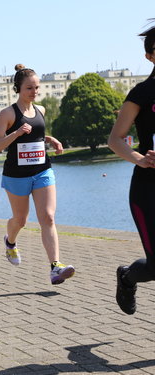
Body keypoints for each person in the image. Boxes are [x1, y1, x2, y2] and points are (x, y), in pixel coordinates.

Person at [0, 64, 75, 285]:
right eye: (29, 87)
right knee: (20, 219)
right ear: (18, 88)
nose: (34, 91)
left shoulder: (41, 110)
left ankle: (55, 267)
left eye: (37, 87)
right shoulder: (7, 114)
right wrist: (17, 132)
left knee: (47, 217)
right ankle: (10, 242)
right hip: (16, 175)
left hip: (42, 170)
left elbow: (36, 135)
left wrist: (50, 139)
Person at [108, 22, 155, 315]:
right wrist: (138, 158)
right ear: (150, 56)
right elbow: (114, 139)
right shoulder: (142, 93)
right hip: (148, 189)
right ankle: (127, 277)